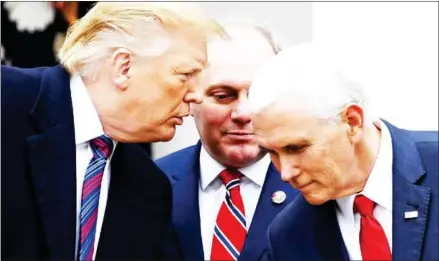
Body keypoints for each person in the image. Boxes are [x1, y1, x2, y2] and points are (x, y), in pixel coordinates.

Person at [1, 2, 226, 260]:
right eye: (185, 75)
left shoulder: (150, 188)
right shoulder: (6, 103)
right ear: (123, 67)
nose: (197, 96)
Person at [246, 43, 438, 261]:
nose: (285, 173)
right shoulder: (289, 235)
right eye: (272, 152)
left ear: (352, 122)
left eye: (295, 148)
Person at [155, 23, 299, 261]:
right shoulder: (151, 184)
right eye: (223, 96)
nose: (243, 113)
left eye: (258, 94)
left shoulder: (317, 187)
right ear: (190, 98)